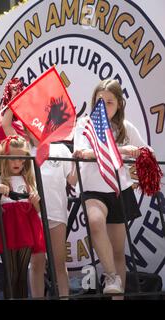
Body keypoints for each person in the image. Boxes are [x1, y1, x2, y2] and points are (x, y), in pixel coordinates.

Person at [73, 79, 147, 295]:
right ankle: (111, 277)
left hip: (118, 190)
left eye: (109, 102)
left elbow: (145, 151)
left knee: (118, 252)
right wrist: (124, 151)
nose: (104, 107)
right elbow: (82, 153)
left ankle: (117, 292)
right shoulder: (84, 124)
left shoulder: (125, 127)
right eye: (99, 102)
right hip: (92, 190)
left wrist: (139, 155)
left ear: (119, 105)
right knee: (95, 222)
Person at [0, 135, 45, 298]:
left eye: (21, 158)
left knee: (22, 274)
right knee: (11, 274)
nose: (18, 162)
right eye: (13, 158)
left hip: (25, 229)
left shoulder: (28, 179)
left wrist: (35, 201)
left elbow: (38, 211)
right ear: (3, 159)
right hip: (7, 228)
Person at [25, 131, 77, 298]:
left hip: (56, 212)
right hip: (32, 214)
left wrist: (76, 161)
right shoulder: (25, 151)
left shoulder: (61, 149)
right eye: (30, 127)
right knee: (36, 263)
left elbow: (73, 180)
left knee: (59, 264)